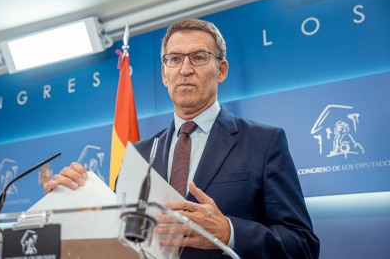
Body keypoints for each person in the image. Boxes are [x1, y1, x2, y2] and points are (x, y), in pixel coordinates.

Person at [44, 19, 320, 258]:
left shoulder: (264, 141)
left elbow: (302, 245)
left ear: (221, 70)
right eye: (174, 59)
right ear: (164, 74)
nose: (185, 69)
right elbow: (121, 238)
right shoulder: (138, 154)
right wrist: (75, 201)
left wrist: (228, 231)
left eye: (198, 57)